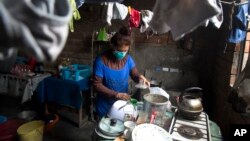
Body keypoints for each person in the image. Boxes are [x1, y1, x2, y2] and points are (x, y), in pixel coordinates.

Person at [93, 26, 150, 118]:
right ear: (113, 46)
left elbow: (134, 75)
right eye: (119, 50)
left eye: (125, 51)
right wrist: (117, 94)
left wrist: (140, 78)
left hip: (122, 105)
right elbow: (97, 85)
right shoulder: (100, 61)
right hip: (105, 105)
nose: (122, 54)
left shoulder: (128, 59)